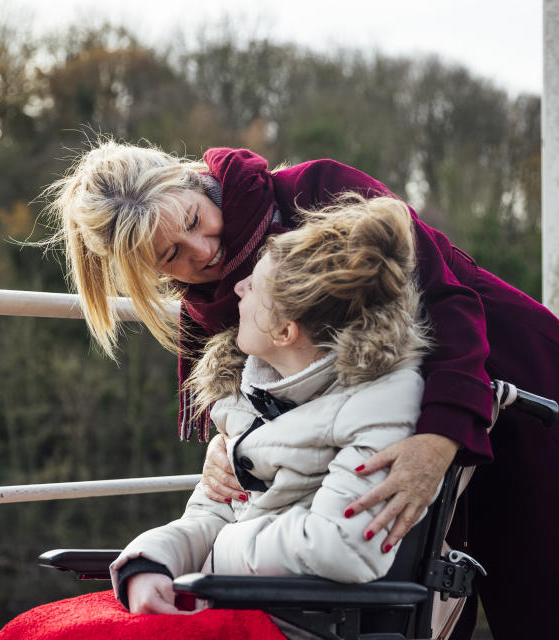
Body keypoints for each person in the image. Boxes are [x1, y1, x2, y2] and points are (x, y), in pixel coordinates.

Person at [42, 139, 559, 639]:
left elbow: (446, 304)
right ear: (154, 272)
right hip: (392, 424)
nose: (206, 251)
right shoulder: (206, 311)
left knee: (549, 598)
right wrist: (228, 446)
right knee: (433, 592)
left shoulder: (315, 192)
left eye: (197, 221)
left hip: (510, 382)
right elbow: (251, 398)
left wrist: (438, 439)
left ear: (198, 183)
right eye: (174, 254)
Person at [112, 195, 431, 638]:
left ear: (285, 332)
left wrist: (217, 558)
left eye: (254, 286)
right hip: (224, 600)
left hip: (294, 622)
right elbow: (212, 517)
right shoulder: (248, 393)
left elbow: (343, 546)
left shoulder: (376, 405)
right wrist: (149, 561)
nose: (238, 288)